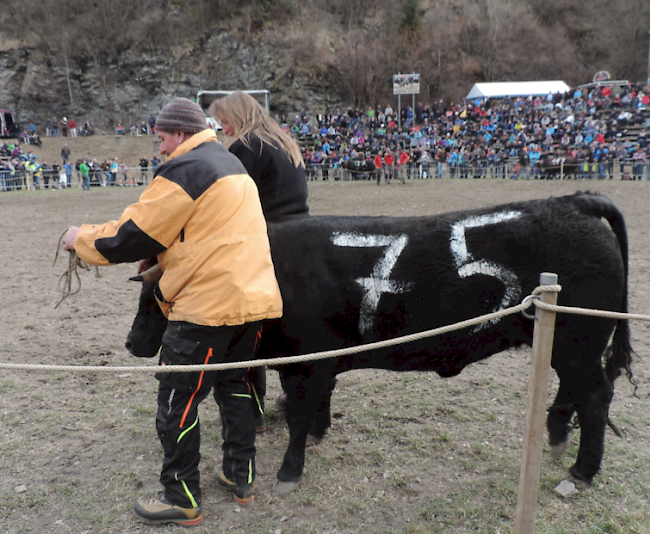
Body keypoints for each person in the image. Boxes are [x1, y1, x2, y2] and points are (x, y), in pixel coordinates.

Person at [62, 97, 282, 526]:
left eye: (162, 138)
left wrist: (80, 238)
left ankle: (180, 496)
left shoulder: (186, 169)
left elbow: (132, 235)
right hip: (252, 300)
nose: (159, 148)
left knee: (177, 400)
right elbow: (206, 231)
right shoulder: (230, 164)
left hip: (205, 309)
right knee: (236, 387)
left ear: (180, 133)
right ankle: (242, 479)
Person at [210, 91, 309, 427]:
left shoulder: (246, 146)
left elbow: (231, 201)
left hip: (270, 242)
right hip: (303, 238)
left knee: (250, 326)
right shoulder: (282, 140)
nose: (222, 127)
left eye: (224, 119)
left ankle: (253, 411)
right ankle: (297, 394)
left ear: (236, 115)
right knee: (294, 325)